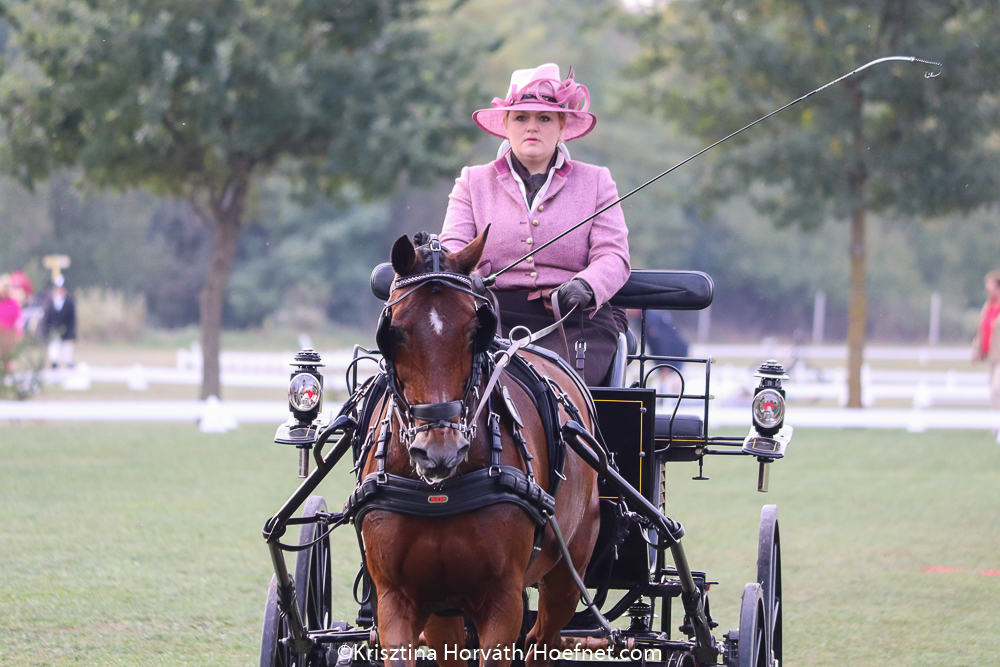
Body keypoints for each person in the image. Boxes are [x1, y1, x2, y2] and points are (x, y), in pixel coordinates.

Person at [439, 63, 630, 386]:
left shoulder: (597, 181)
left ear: (561, 125)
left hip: (574, 321)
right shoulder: (472, 181)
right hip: (488, 318)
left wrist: (586, 286)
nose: (532, 127)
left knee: (557, 395)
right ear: (506, 124)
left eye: (544, 118)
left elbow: (614, 256)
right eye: (521, 117)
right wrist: (466, 279)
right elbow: (453, 249)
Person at [972, 270, 1000, 434]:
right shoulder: (987, 307)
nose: (987, 291)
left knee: (997, 388)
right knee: (993, 391)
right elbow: (981, 330)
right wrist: (976, 349)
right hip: (990, 356)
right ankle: (997, 423)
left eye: (989, 287)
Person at [41, 275, 77, 369]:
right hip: (54, 332)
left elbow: (72, 319)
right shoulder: (49, 302)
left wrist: (72, 333)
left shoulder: (69, 302)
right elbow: (46, 319)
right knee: (54, 355)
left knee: (68, 357)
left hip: (66, 332)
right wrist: (45, 332)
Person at [0, 274, 23, 371]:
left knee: (8, 357)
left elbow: (19, 319)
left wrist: (19, 332)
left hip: (10, 334)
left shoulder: (13, 303)